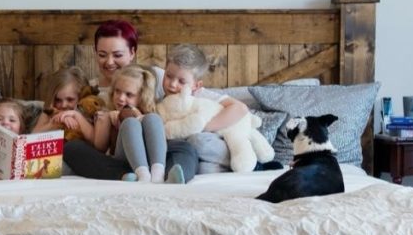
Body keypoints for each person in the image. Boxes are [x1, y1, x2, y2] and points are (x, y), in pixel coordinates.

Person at [64, 21, 198, 182]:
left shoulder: (155, 76)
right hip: (116, 156)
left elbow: (198, 95)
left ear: (132, 52)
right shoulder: (90, 91)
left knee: (186, 148)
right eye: (102, 54)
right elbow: (98, 144)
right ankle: (125, 175)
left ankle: (169, 176)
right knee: (72, 149)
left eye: (117, 55)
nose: (109, 62)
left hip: (154, 150)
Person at [162, 43, 281, 171]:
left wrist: (205, 127)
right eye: (168, 76)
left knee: (197, 141)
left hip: (214, 139)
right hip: (193, 153)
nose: (172, 85)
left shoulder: (202, 95)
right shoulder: (163, 102)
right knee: (203, 169)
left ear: (196, 85)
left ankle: (251, 163)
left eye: (182, 81)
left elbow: (240, 108)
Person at [91, 64, 173, 183]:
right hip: (123, 161)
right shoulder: (108, 114)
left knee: (153, 119)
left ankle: (158, 173)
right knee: (130, 123)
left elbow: (160, 139)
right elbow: (100, 147)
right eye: (117, 91)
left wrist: (138, 116)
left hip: (150, 158)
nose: (121, 98)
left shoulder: (150, 113)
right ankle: (143, 175)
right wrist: (107, 119)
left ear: (141, 97)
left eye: (129, 94)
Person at [31, 67, 95, 141]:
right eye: (58, 100)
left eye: (70, 99)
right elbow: (32, 136)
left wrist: (76, 116)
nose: (64, 105)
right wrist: (54, 124)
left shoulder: (86, 112)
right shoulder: (48, 113)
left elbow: (95, 141)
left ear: (81, 97)